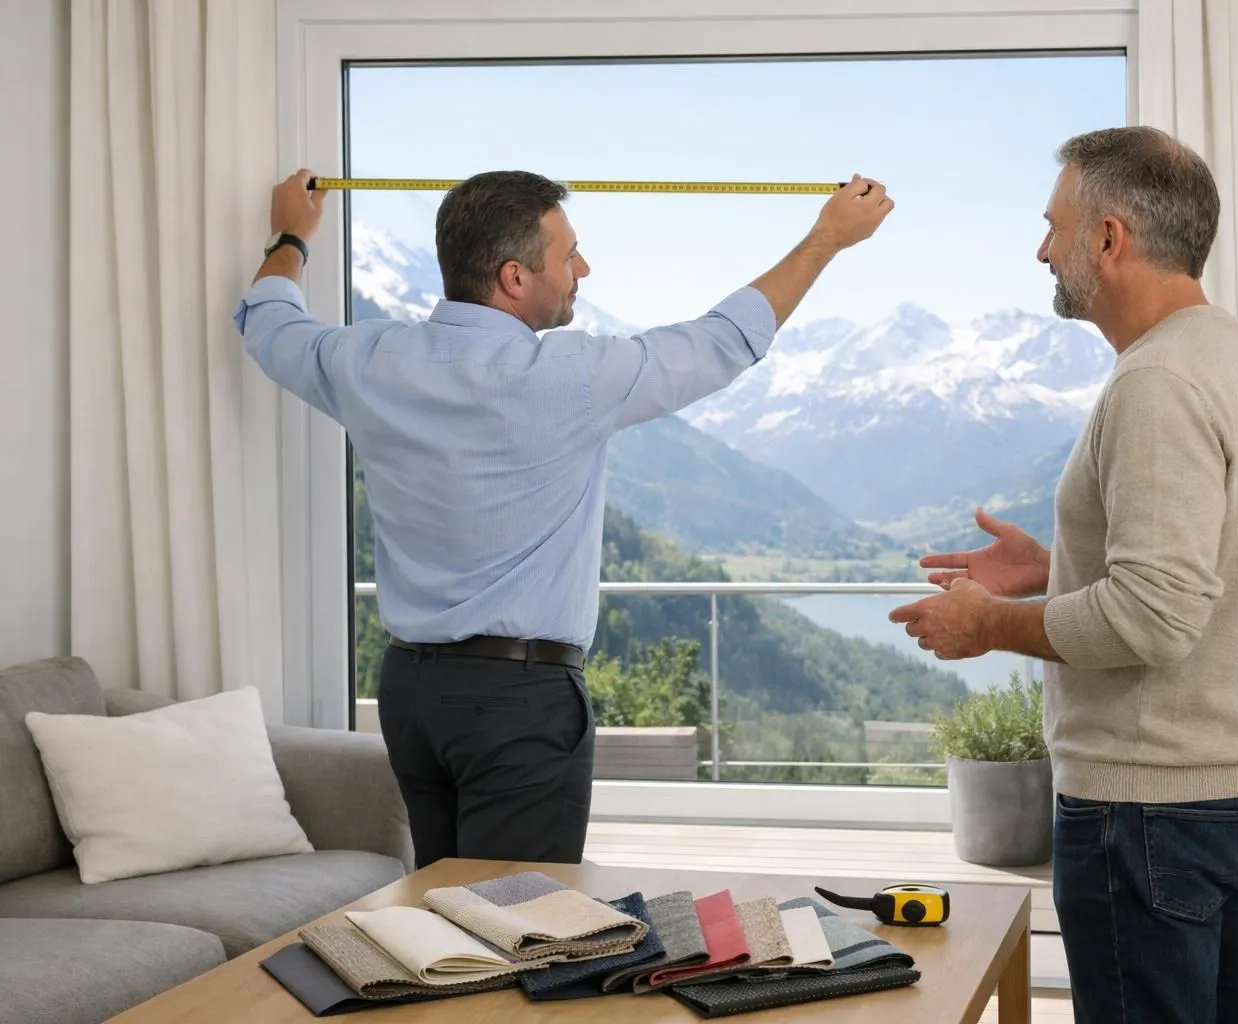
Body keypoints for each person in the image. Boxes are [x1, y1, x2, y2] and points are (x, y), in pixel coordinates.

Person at [235, 168, 893, 869]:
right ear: (514, 277)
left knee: (444, 918)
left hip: (410, 695)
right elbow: (721, 342)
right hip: (519, 703)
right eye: (569, 254)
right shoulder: (570, 377)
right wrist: (826, 240)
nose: (584, 268)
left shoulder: (367, 361)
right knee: (520, 932)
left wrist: (289, 238)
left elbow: (268, 322)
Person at [889, 126, 1238, 1024]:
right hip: (1237, 796)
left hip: (1148, 809)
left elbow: (1154, 619)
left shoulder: (1157, 383)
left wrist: (989, 625)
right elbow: (1211, 568)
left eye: (1054, 226)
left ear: (1110, 238)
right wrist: (1058, 566)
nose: (1042, 247)